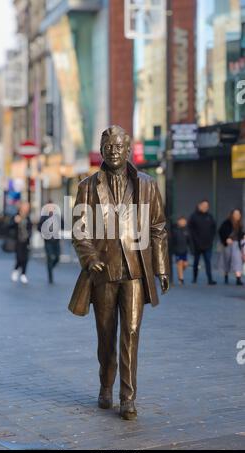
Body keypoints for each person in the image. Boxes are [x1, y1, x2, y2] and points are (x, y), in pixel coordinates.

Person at [69, 125, 170, 420]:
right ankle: (105, 385)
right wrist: (89, 257)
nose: (113, 151)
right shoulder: (87, 187)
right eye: (108, 146)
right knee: (105, 335)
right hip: (103, 271)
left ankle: (128, 397)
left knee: (132, 332)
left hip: (136, 271)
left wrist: (161, 268)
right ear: (102, 150)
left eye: (119, 146)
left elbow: (159, 228)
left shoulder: (147, 184)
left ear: (128, 150)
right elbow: (79, 229)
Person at [188, 200, 217, 285]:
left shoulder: (210, 217)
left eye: (207, 206)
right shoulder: (193, 216)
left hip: (208, 244)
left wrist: (211, 239)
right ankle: (194, 278)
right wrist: (194, 241)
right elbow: (190, 230)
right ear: (199, 205)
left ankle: (210, 279)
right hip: (197, 244)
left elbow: (213, 228)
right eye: (203, 205)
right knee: (196, 262)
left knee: (208, 262)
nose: (205, 207)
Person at [218, 209, 244, 286]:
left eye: (238, 214)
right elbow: (221, 231)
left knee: (237, 259)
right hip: (228, 244)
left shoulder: (239, 224)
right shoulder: (226, 223)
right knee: (227, 260)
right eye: (235, 214)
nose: (237, 215)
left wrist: (243, 235)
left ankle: (238, 278)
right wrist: (226, 239)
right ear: (232, 214)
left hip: (236, 244)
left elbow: (240, 233)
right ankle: (226, 275)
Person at [38, 201, 61, 284]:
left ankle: (51, 267)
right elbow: (39, 227)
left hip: (56, 240)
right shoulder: (44, 217)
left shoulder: (57, 216)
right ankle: (50, 276)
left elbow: (62, 224)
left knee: (57, 257)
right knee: (49, 258)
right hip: (48, 241)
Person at [10, 202, 32, 284]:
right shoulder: (16, 216)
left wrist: (29, 236)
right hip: (18, 240)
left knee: (25, 258)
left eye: (27, 207)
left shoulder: (27, 217)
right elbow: (9, 226)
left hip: (26, 241)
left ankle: (23, 274)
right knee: (19, 257)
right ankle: (16, 270)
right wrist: (15, 222)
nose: (26, 209)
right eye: (25, 207)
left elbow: (30, 228)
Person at [172, 216, 190, 285]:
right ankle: (181, 279)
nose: (183, 223)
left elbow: (189, 241)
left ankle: (180, 273)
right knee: (179, 263)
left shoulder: (187, 230)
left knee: (185, 264)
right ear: (178, 221)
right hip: (177, 250)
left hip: (184, 250)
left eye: (184, 221)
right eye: (182, 221)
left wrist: (192, 249)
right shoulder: (174, 229)